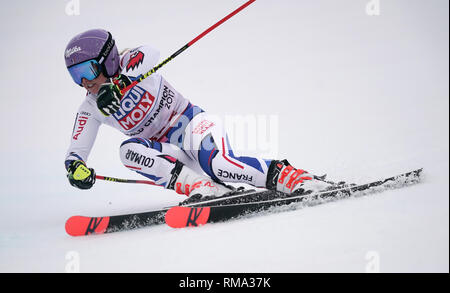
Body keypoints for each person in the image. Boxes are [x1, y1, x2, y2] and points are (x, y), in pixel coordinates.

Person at [64, 29, 335, 200]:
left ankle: (294, 178)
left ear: (107, 60)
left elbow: (150, 52)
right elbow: (76, 152)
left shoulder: (130, 61)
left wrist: (121, 82)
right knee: (127, 151)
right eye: (76, 75)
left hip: (191, 125)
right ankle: (204, 189)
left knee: (220, 165)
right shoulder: (91, 107)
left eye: (88, 70)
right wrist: (76, 169)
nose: (85, 82)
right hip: (170, 151)